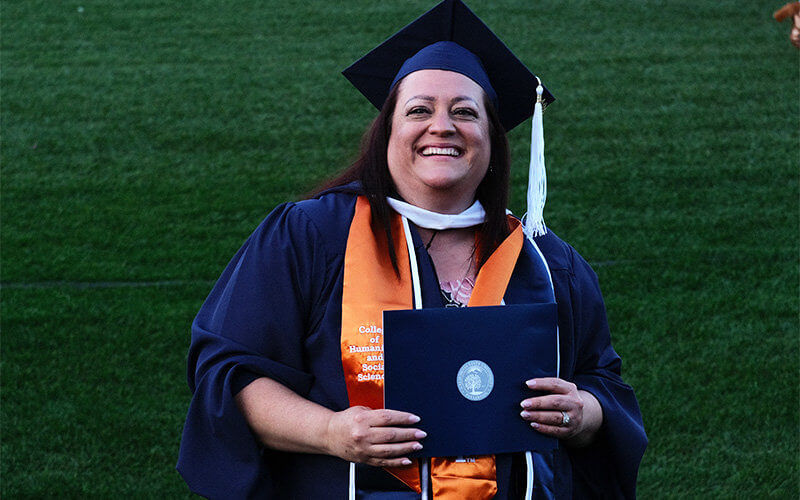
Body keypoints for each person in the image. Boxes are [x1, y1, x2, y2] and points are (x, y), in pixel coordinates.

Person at [177, 1, 647, 498]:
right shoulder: (312, 236)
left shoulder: (549, 262)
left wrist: (584, 413)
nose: (441, 126)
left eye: (465, 112)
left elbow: (602, 385)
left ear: (491, 139)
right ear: (388, 132)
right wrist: (330, 433)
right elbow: (231, 375)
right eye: (419, 110)